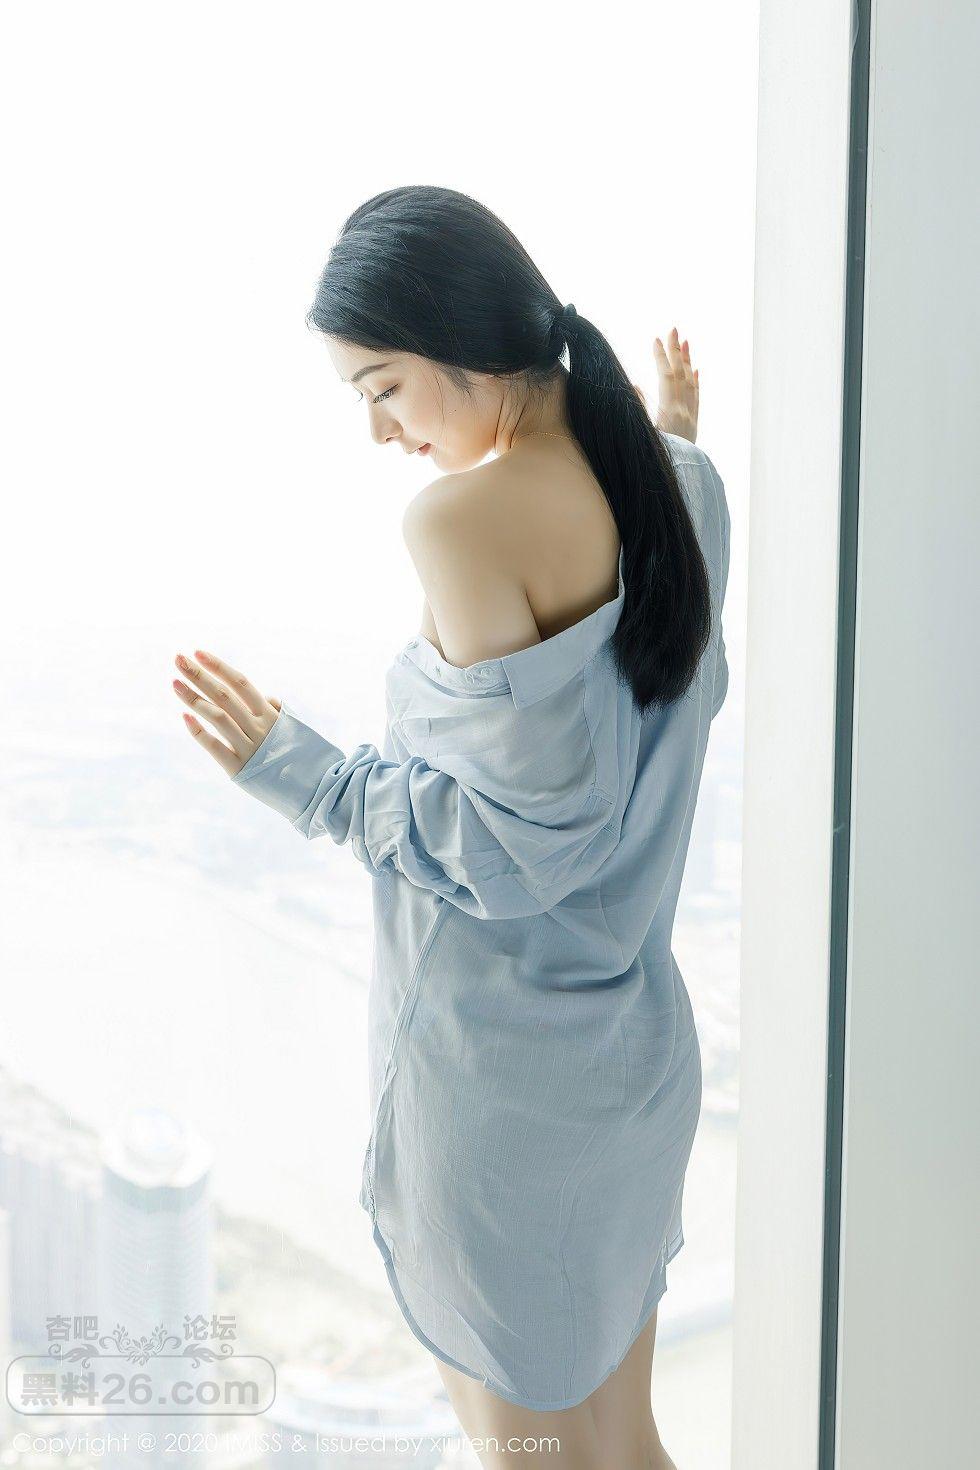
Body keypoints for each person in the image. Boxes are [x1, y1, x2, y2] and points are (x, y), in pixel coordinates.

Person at [171, 185, 730, 1470]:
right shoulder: (681, 489)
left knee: (524, 1459)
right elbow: (637, 686)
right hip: (632, 1071)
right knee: (620, 1441)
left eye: (381, 388)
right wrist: (674, 435)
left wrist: (295, 769)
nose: (380, 432)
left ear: (456, 345)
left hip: (503, 1097)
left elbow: (519, 847)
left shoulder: (460, 520)